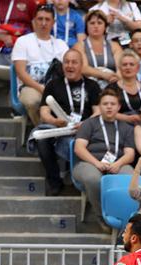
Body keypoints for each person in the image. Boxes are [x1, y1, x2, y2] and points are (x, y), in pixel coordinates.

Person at [36, 49, 101, 196]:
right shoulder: (52, 85)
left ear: (81, 65)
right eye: (67, 62)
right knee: (41, 139)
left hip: (85, 128)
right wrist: (54, 120)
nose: (70, 66)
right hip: (60, 127)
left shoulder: (92, 86)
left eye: (74, 62)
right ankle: (54, 181)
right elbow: (44, 112)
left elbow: (98, 112)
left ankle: (81, 178)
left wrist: (85, 123)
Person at [73, 89, 136, 224]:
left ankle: (125, 217)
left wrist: (118, 164)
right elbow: (79, 148)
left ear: (118, 107)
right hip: (88, 163)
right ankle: (102, 217)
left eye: (112, 104)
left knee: (130, 178)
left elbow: (130, 155)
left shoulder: (126, 128)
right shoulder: (89, 124)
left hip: (117, 163)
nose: (109, 106)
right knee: (94, 179)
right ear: (99, 106)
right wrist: (97, 163)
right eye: (105, 103)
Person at [11, 5, 69, 126]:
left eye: (47, 19)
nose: (43, 23)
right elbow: (21, 73)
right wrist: (42, 89)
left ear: (53, 22)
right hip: (30, 87)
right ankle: (43, 129)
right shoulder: (23, 41)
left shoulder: (61, 44)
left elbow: (69, 69)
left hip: (56, 87)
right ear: (33, 21)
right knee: (33, 101)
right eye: (40, 19)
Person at [74, 10, 121, 88]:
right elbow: (83, 68)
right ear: (86, 26)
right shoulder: (79, 46)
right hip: (87, 86)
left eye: (99, 23)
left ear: (105, 27)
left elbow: (121, 68)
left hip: (112, 85)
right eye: (92, 23)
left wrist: (117, 78)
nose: (96, 26)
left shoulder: (114, 46)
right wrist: (104, 75)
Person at [107, 49, 141, 123]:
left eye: (131, 64)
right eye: (124, 65)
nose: (128, 67)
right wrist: (126, 118)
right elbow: (106, 111)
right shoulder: (111, 89)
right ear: (120, 68)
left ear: (138, 68)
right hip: (119, 125)